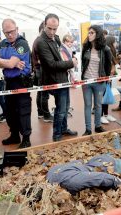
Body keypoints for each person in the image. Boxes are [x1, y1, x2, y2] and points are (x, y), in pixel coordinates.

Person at [47, 136, 121, 195]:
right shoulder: (51, 174)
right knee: (117, 156)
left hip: (109, 166)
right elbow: (75, 163)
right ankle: (116, 140)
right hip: (95, 161)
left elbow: (102, 178)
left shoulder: (72, 183)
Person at [36, 13, 78, 142]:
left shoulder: (57, 38)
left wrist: (69, 62)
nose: (52, 32)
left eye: (55, 28)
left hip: (62, 78)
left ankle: (64, 129)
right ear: (44, 25)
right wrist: (71, 63)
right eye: (50, 28)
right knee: (60, 109)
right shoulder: (40, 42)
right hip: (54, 81)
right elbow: (51, 64)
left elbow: (62, 56)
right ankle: (57, 134)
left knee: (65, 107)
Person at [0, 18, 32, 149]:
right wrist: (7, 63)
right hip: (9, 81)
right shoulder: (2, 44)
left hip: (21, 81)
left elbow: (8, 64)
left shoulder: (22, 43)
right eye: (6, 32)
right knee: (10, 111)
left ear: (17, 29)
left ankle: (26, 138)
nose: (10, 35)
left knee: (23, 110)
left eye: (12, 31)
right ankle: (15, 135)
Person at [81, 25, 112, 136]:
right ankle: (88, 129)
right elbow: (83, 63)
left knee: (98, 105)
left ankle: (98, 126)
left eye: (92, 33)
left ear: (97, 34)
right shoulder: (86, 46)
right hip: (86, 82)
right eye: (89, 32)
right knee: (87, 105)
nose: (89, 35)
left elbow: (108, 65)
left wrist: (106, 78)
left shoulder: (105, 49)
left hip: (99, 82)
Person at [32, 21, 53, 123]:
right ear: (43, 29)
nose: (50, 32)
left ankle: (41, 113)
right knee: (44, 93)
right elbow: (42, 59)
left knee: (41, 93)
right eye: (48, 29)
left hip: (38, 69)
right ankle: (46, 115)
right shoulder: (39, 42)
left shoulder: (37, 41)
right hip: (41, 69)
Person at [101, 35, 118, 124]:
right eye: (115, 42)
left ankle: (106, 114)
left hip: (109, 78)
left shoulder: (112, 52)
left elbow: (113, 64)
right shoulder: (105, 51)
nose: (116, 44)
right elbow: (106, 66)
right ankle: (101, 115)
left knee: (106, 95)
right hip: (104, 77)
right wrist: (108, 76)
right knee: (102, 96)